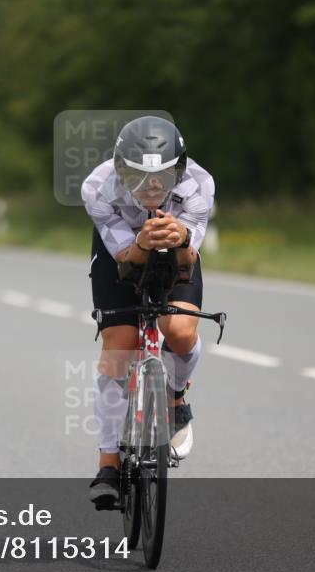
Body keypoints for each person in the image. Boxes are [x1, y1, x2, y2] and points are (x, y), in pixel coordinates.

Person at [82, 116, 215, 509]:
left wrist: (182, 238)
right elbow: (125, 257)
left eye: (163, 176)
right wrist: (141, 243)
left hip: (177, 250)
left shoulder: (199, 184)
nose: (153, 186)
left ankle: (175, 400)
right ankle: (108, 461)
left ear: (180, 168)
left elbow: (189, 255)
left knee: (180, 332)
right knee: (119, 347)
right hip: (119, 256)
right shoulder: (98, 186)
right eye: (139, 177)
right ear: (121, 170)